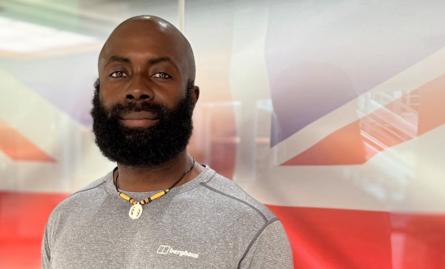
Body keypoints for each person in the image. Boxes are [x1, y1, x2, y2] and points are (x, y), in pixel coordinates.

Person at [41, 15, 292, 269]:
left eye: (161, 74)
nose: (137, 89)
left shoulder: (250, 229)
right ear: (99, 93)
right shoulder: (65, 218)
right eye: (118, 73)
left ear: (191, 98)